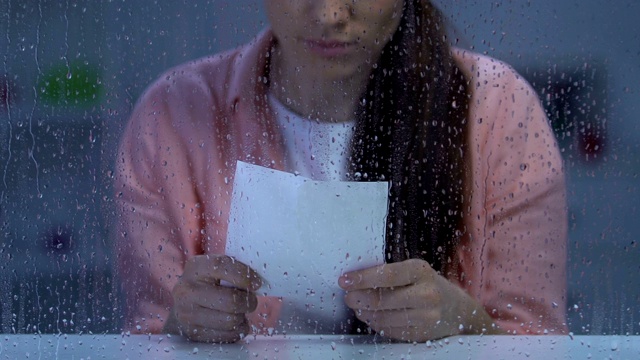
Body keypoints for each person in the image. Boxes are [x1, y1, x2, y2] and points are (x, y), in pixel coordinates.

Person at [114, 0, 568, 343]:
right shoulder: (172, 114)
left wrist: (465, 322)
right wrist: (182, 324)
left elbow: (537, 339)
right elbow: (145, 334)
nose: (330, 13)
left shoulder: (496, 109)